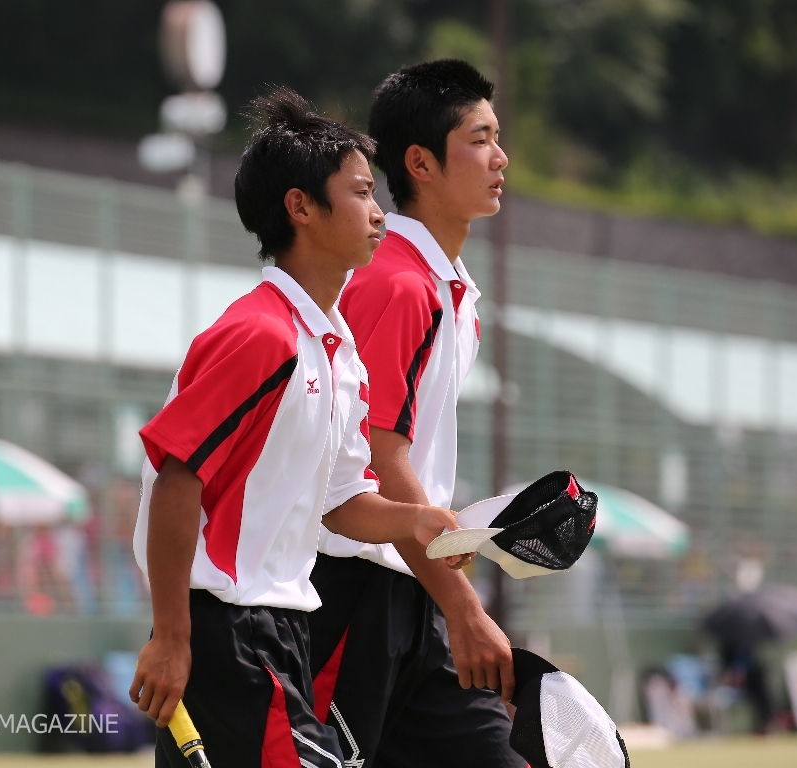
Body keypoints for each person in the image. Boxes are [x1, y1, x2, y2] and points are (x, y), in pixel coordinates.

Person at [127, 88, 466, 767]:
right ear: (301, 207)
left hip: (283, 632)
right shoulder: (260, 336)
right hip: (229, 638)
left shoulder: (336, 351)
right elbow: (176, 477)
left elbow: (342, 503)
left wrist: (415, 523)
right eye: (362, 193)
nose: (379, 214)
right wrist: (172, 636)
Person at [308, 59, 525, 767]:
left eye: (497, 137)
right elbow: (376, 455)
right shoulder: (399, 284)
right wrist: (464, 604)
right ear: (421, 163)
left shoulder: (449, 291)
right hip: (352, 594)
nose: (501, 158)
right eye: (480, 139)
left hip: (414, 591)